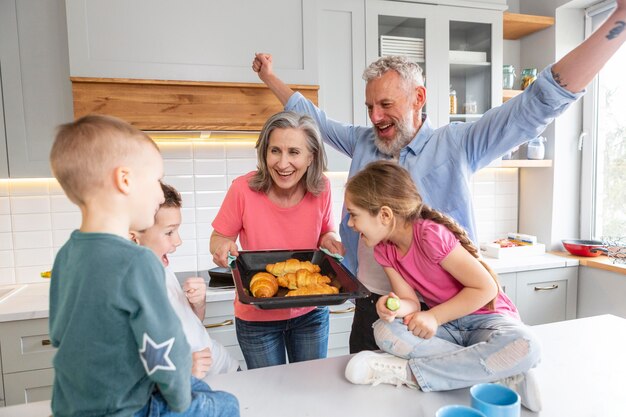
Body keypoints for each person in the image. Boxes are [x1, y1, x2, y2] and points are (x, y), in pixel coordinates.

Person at [252, 1, 626, 353]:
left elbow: (537, 104)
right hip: (374, 303)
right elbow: (313, 118)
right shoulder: (363, 142)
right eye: (370, 106)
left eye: (386, 104)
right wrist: (270, 77)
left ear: (419, 97)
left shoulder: (458, 145)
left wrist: (616, 22)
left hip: (444, 310)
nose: (375, 117)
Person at [48, 114, 239, 417]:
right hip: (131, 407)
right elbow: (164, 347)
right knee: (227, 405)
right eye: (155, 181)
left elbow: (59, 334)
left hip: (72, 404)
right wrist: (181, 398)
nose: (159, 194)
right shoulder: (138, 262)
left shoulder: (67, 255)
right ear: (124, 180)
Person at [341, 160, 542, 411]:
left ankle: (409, 374)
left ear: (384, 215)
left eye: (354, 214)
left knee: (527, 344)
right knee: (384, 330)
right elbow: (411, 302)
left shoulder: (429, 235)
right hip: (449, 329)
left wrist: (434, 317)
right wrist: (392, 307)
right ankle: (499, 371)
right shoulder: (384, 250)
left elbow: (486, 288)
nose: (350, 223)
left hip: (485, 319)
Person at [210, 110, 344, 370]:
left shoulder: (322, 188)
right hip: (257, 316)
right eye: (275, 151)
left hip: (311, 312)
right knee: (270, 396)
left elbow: (327, 231)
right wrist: (222, 247)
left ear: (310, 157)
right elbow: (219, 237)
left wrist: (330, 240)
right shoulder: (243, 189)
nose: (283, 164)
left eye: (294, 152)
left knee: (311, 391)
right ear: (264, 153)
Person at [130, 182, 240, 380]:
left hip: (225, 368)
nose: (178, 241)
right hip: (197, 383)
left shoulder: (162, 267)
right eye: (169, 232)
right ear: (134, 237)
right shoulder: (131, 288)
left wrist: (197, 305)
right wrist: (183, 368)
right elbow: (134, 363)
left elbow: (191, 326)